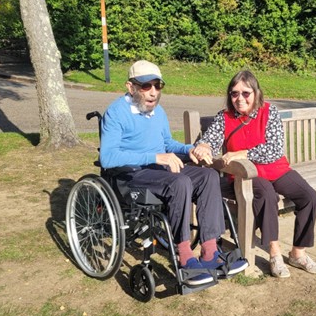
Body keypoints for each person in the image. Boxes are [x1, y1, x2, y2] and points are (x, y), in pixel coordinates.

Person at [99, 60, 247, 286]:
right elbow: (107, 158)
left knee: (208, 176)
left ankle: (210, 252)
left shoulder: (158, 112)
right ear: (131, 87)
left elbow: (167, 142)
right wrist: (155, 157)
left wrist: (191, 149)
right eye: (146, 86)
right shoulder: (116, 113)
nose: (153, 92)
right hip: (131, 175)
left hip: (160, 171)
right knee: (180, 182)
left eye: (158, 86)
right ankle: (185, 256)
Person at [192, 70, 316, 278]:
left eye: (246, 93)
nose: (239, 98)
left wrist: (242, 152)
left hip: (276, 168)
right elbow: (210, 140)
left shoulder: (269, 112)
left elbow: (275, 150)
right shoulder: (224, 117)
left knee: (309, 197)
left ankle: (298, 253)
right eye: (234, 93)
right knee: (266, 194)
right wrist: (204, 146)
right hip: (245, 175)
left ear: (256, 93)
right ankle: (274, 253)